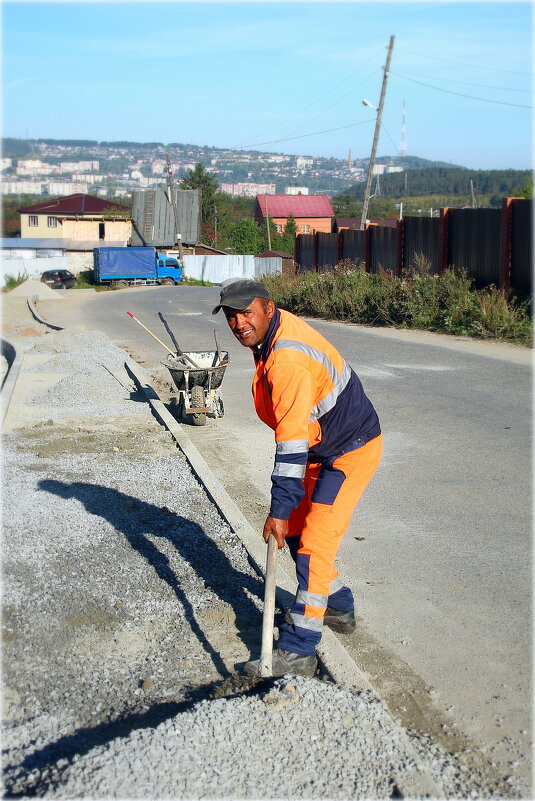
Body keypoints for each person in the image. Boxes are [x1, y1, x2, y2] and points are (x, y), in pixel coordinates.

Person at [213, 278, 383, 677]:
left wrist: (279, 508)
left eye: (247, 313)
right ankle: (338, 605)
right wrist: (285, 515)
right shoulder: (270, 336)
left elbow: (290, 445)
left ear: (268, 308)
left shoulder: (287, 356)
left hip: (348, 452)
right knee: (295, 532)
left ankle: (299, 650)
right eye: (232, 316)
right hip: (321, 447)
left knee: (311, 546)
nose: (239, 324)